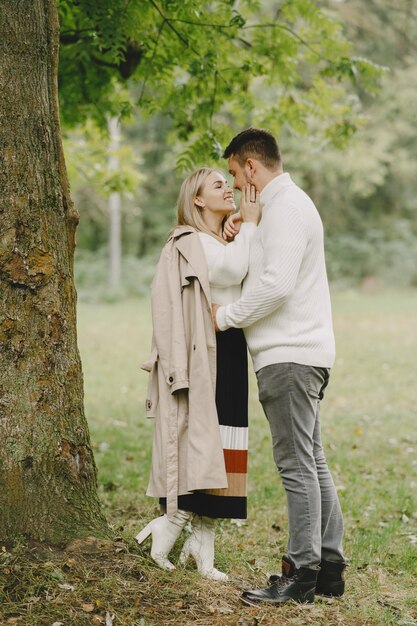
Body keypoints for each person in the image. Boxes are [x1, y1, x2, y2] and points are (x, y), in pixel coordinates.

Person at [214, 128, 346, 605]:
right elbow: (263, 266)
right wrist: (242, 226)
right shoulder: (278, 210)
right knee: (312, 459)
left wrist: (225, 317)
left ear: (252, 167)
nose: (232, 183)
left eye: (233, 173)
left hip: (289, 355)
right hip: (299, 352)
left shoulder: (287, 209)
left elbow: (275, 286)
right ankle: (330, 568)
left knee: (296, 465)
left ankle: (302, 573)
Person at [136, 167, 260, 581]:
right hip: (202, 350)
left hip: (229, 343)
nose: (228, 187)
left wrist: (238, 224)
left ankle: (203, 543)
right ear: (197, 201)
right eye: (218, 185)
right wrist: (249, 222)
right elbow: (234, 266)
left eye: (229, 181)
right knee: (198, 438)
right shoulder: (190, 241)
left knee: (227, 440)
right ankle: (171, 523)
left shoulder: (221, 238)